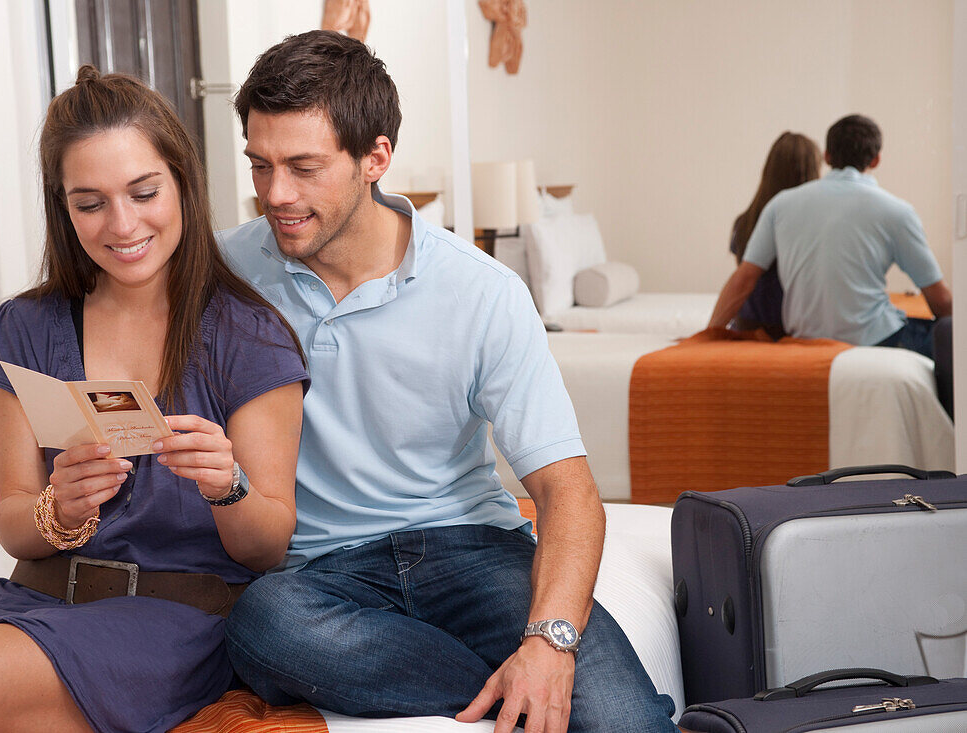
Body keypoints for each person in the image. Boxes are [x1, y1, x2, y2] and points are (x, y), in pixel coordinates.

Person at [218, 30, 678, 733]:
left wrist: (547, 644)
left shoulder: (481, 290)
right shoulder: (226, 272)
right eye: (260, 166)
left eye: (304, 167)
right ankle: (496, 689)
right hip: (319, 572)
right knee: (261, 623)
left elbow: (570, 491)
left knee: (624, 722)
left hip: (468, 547)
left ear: (376, 157)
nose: (276, 194)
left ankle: (530, 679)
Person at [0, 66, 308, 733]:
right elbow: (12, 520)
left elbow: (268, 547)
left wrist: (229, 487)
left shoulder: (249, 334)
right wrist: (58, 508)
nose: (122, 223)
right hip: (36, 599)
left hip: (173, 623)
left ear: (182, 182)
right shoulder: (24, 326)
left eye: (143, 191)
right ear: (62, 206)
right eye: (90, 201)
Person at [709, 114, 952, 356]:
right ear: (876, 159)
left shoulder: (780, 205)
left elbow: (743, 280)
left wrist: (708, 335)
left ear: (827, 156)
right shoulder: (898, 212)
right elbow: (939, 300)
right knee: (949, 330)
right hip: (875, 339)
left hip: (803, 337)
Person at [728, 132, 822, 338]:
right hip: (791, 330)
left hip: (747, 325)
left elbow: (744, 284)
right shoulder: (815, 226)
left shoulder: (744, 223)